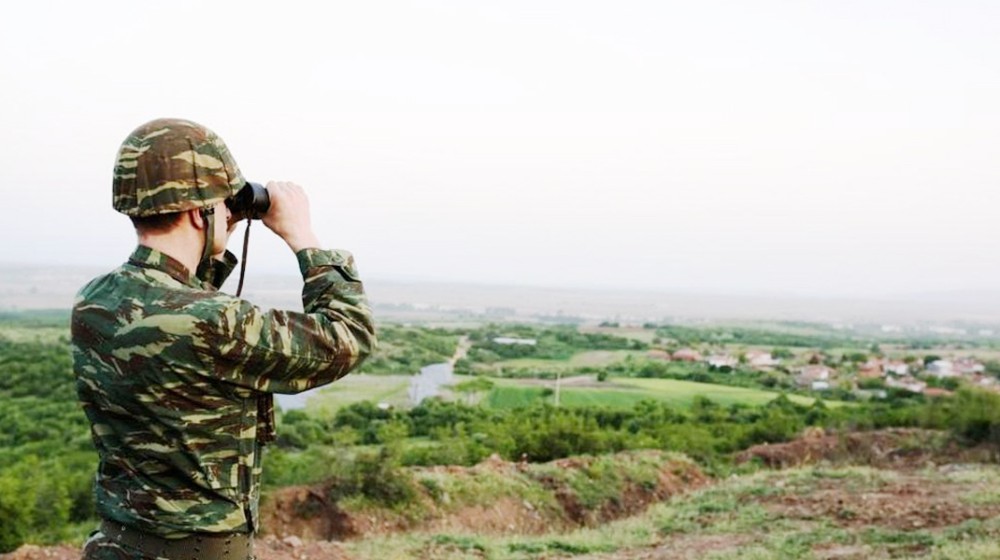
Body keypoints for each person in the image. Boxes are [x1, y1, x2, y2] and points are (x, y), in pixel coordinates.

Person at [71, 118, 377, 560]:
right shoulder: (215, 323)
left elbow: (176, 309)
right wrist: (303, 238)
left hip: (114, 545)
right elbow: (349, 336)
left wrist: (211, 235)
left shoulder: (94, 301)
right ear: (199, 212)